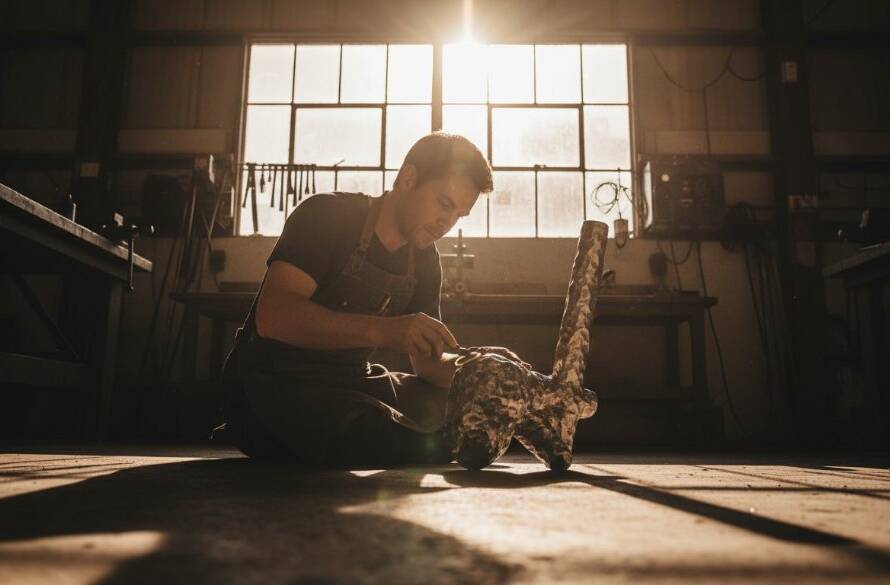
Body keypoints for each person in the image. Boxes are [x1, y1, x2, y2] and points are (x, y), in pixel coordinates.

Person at [222, 132, 523, 466]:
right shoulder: (326, 216)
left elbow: (428, 363)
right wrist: (383, 330)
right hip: (275, 383)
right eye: (444, 204)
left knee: (454, 408)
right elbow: (274, 317)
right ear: (408, 178)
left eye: (459, 216)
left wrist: (482, 372)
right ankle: (412, 440)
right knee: (370, 427)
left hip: (352, 381)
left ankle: (417, 438)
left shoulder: (423, 260)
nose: (447, 224)